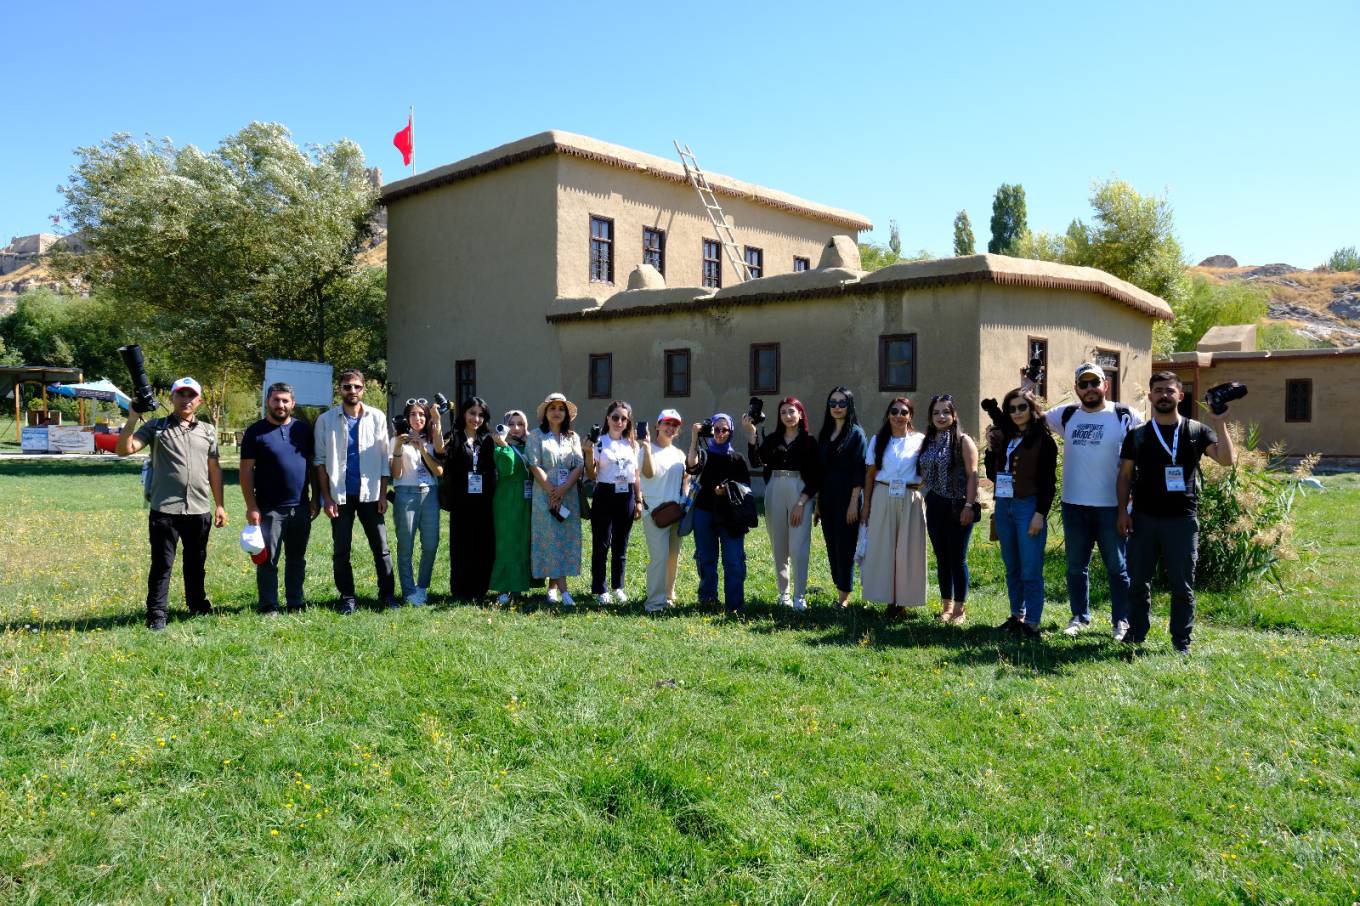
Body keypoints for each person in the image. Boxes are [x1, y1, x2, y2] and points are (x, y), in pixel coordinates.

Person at [1117, 372, 1235, 655]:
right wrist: (1123, 512)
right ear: (1150, 396)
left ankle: (1181, 641)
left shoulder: (1196, 431)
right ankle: (1136, 633)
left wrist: (1219, 421)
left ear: (1180, 396)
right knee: (1137, 582)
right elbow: (1124, 476)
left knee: (1182, 585)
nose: (1163, 395)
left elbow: (1227, 459)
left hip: (1182, 520)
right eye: (1158, 390)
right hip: (1144, 519)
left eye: (1169, 390)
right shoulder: (1138, 435)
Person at [1041, 362, 1144, 640]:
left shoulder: (1126, 415)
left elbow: (1146, 451)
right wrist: (1029, 384)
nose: (1089, 389)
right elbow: (1030, 417)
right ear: (1076, 389)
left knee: (1117, 567)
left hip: (1113, 507)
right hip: (1074, 505)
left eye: (1094, 383)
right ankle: (1079, 617)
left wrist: (1133, 502)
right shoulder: (1066, 414)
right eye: (1083, 384)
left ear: (1105, 385)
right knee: (1076, 566)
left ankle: (1121, 621)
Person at [116, 376, 228, 630]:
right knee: (162, 563)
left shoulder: (208, 431)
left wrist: (220, 505)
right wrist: (133, 417)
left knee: (196, 561)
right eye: (181, 394)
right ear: (172, 398)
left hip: (199, 509)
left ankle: (197, 603)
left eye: (191, 395)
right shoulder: (156, 427)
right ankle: (157, 613)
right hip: (165, 510)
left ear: (199, 401)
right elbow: (124, 449)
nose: (186, 400)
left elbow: (214, 469)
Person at [314, 369, 396, 613]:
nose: (352, 391)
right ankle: (347, 597)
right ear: (339, 389)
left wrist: (382, 494)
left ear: (363, 389)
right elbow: (319, 461)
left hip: (370, 494)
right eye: (347, 386)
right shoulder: (325, 421)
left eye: (357, 387)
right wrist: (326, 498)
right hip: (340, 496)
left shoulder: (377, 417)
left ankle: (387, 595)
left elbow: (383, 460)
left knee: (381, 548)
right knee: (341, 550)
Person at [984, 388, 1058, 637]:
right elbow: (993, 475)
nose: (1017, 413)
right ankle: (1017, 615)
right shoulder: (1005, 437)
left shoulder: (1043, 441)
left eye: (1021, 407)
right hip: (1004, 505)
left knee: (1030, 568)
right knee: (1012, 566)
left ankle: (1033, 622)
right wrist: (991, 452)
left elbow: (1049, 483)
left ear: (1031, 409)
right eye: (1012, 409)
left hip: (1029, 506)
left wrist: (1040, 514)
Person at [240, 382, 318, 614]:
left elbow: (313, 466)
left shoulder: (303, 430)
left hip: (301, 506)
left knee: (297, 559)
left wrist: (315, 498)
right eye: (276, 400)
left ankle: (295, 601)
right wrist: (251, 506)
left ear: (293, 404)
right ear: (268, 402)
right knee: (268, 560)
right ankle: (268, 605)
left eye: (285, 401)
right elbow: (245, 471)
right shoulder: (255, 432)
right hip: (269, 509)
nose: (281, 405)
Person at [745, 396, 822, 610]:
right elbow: (756, 461)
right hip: (775, 489)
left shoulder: (809, 441)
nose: (788, 416)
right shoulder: (772, 439)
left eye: (791, 411)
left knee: (798, 547)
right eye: (783, 412)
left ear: (800, 414)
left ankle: (799, 596)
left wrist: (801, 502)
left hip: (800, 491)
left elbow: (816, 477)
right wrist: (751, 434)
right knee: (779, 545)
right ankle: (784, 594)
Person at [860, 398, 927, 618]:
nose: (899, 415)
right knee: (883, 549)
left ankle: (904, 601)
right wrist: (866, 504)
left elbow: (929, 471)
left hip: (909, 496)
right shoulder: (878, 440)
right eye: (894, 411)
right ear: (888, 414)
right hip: (882, 494)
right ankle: (887, 599)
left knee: (908, 549)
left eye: (904, 412)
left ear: (910, 416)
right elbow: (870, 475)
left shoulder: (920, 440)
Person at [918, 394, 980, 625]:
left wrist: (969, 506)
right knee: (942, 558)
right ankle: (946, 607)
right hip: (935, 504)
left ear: (954, 416)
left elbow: (973, 475)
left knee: (957, 558)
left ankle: (960, 610)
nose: (941, 416)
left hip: (959, 504)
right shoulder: (929, 441)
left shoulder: (964, 441)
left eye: (946, 412)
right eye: (936, 412)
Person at [686, 413, 752, 613]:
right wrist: (694, 438)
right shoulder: (704, 454)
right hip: (704, 512)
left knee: (733, 559)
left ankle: (734, 604)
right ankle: (708, 599)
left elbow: (746, 488)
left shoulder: (737, 459)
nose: (720, 434)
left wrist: (728, 489)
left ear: (731, 431)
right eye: (716, 429)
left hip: (731, 515)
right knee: (706, 558)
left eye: (725, 430)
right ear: (711, 430)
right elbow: (691, 466)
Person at [525, 393, 585, 606]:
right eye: (553, 408)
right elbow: (534, 465)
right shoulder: (535, 436)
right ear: (546, 413)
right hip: (544, 496)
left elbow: (579, 464)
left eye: (561, 408)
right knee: (550, 541)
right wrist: (552, 491)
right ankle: (565, 592)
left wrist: (563, 489)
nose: (557, 412)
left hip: (567, 496)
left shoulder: (573, 437)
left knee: (565, 540)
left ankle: (553, 589)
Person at [584, 400, 643, 605]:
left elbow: (636, 475)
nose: (619, 421)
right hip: (605, 493)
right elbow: (591, 474)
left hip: (625, 494)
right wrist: (589, 452)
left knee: (621, 543)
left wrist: (638, 500)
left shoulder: (632, 444)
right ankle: (600, 588)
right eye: (615, 417)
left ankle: (618, 586)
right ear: (608, 418)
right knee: (602, 543)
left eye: (623, 418)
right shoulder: (599, 441)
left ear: (628, 422)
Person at [389, 398, 445, 605]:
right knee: (406, 545)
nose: (417, 418)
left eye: (422, 414)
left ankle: (422, 587)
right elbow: (396, 473)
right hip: (405, 493)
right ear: (406, 417)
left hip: (430, 493)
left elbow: (439, 471)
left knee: (431, 544)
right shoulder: (396, 440)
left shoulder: (431, 440)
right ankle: (408, 590)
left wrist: (422, 448)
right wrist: (398, 447)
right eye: (413, 414)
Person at [441, 396, 498, 601]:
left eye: (480, 415)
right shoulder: (454, 437)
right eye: (472, 413)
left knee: (483, 546)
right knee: (461, 546)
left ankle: (479, 589)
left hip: (484, 501)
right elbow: (442, 455)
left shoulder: (489, 440)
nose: (476, 418)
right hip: (461, 501)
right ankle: (460, 590)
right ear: (464, 414)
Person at [815, 387, 868, 607]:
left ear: (849, 406)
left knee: (844, 546)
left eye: (842, 403)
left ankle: (843, 598)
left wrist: (854, 503)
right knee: (832, 546)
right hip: (827, 497)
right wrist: (818, 503)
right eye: (833, 403)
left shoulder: (856, 433)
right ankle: (840, 587)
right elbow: (819, 469)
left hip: (848, 497)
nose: (837, 407)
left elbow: (859, 470)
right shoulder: (825, 434)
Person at [639, 408, 688, 613]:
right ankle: (654, 603)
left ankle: (668, 594)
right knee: (659, 557)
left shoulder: (679, 454)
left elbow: (686, 479)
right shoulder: (645, 450)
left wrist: (684, 498)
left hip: (675, 511)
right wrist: (647, 448)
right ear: (657, 425)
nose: (671, 427)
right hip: (654, 512)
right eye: (667, 423)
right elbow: (648, 474)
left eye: (675, 424)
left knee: (672, 556)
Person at [489, 409, 536, 605]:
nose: (516, 428)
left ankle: (518, 586)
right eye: (512, 424)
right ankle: (503, 587)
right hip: (506, 500)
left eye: (521, 424)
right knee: (506, 543)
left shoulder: (530, 446)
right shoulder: (500, 447)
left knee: (522, 542)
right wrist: (502, 444)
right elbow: (506, 470)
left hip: (527, 501)